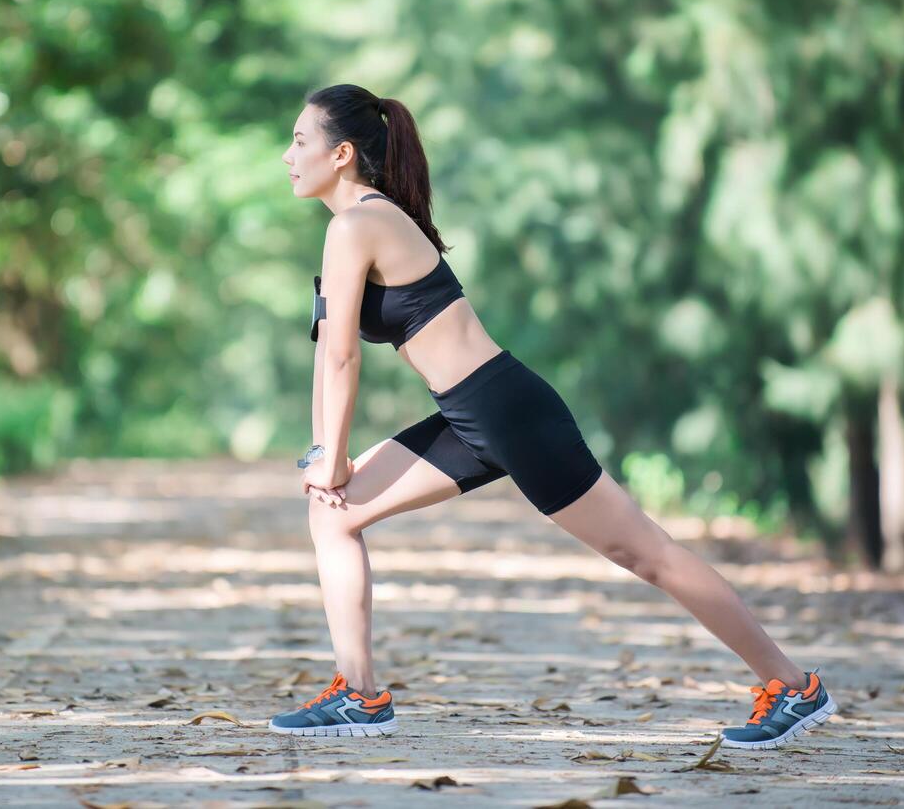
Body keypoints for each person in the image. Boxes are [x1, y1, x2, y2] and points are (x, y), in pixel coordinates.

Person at [267, 84, 837, 748]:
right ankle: (359, 696)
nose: (287, 155)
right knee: (333, 513)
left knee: (644, 552)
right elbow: (325, 350)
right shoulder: (357, 224)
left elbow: (342, 360)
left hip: (506, 410)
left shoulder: (358, 223)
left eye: (299, 140)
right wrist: (323, 453)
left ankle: (792, 685)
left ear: (340, 154)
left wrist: (333, 457)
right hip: (467, 414)